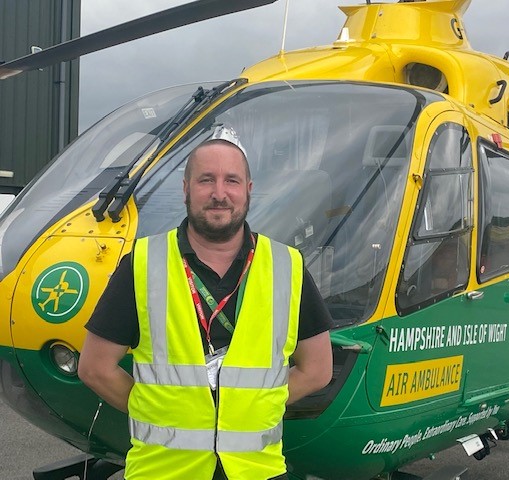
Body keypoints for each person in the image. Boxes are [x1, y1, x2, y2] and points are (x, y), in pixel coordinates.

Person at [79, 125, 334, 480]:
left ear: (248, 190)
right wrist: (156, 410)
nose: (219, 193)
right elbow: (94, 367)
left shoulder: (287, 266)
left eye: (231, 180)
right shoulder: (143, 263)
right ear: (186, 189)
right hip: (163, 471)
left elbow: (318, 369)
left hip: (256, 471)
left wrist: (252, 405)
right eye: (205, 180)